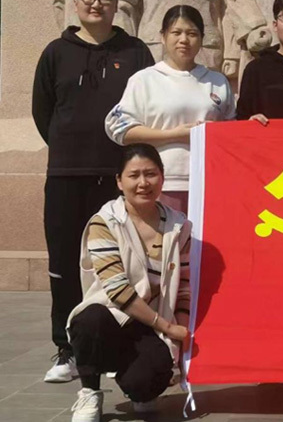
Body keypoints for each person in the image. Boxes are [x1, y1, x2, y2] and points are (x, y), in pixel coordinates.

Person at [32, 0, 154, 383]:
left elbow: (145, 106)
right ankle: (66, 349)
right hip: (67, 174)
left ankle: (125, 343)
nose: (95, 3)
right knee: (65, 261)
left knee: (124, 262)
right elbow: (42, 112)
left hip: (118, 177)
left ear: (116, 2)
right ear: (75, 2)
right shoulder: (55, 52)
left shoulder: (136, 52)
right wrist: (69, 145)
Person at [67, 144, 191, 422]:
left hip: (151, 323)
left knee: (146, 384)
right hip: (111, 315)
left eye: (151, 174)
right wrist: (167, 326)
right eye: (134, 175)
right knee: (89, 321)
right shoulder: (104, 222)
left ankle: (139, 385)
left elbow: (185, 286)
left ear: (162, 177)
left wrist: (177, 337)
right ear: (119, 181)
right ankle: (89, 391)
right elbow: (118, 291)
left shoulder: (180, 226)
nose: (143, 183)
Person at [105, 5, 236, 214]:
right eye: (176, 32)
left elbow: (233, 131)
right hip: (161, 183)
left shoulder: (217, 81)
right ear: (163, 37)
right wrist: (174, 135)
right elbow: (120, 130)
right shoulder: (145, 79)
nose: (184, 40)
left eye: (192, 33)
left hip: (209, 181)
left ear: (202, 39)